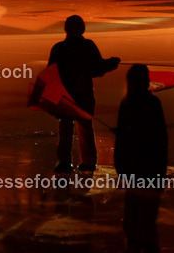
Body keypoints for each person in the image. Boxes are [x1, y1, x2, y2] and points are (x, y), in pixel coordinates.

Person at [48, 15, 120, 173]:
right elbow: (97, 69)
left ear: (66, 29)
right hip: (84, 93)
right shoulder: (88, 46)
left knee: (65, 127)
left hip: (65, 95)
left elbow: (51, 74)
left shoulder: (59, 48)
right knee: (85, 127)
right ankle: (88, 161)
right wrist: (111, 63)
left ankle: (64, 161)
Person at [114, 64, 168, 253]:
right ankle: (139, 249)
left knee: (141, 214)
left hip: (142, 167)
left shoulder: (131, 104)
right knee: (138, 214)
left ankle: (147, 251)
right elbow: (161, 138)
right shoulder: (149, 103)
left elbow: (157, 138)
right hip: (143, 167)